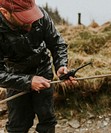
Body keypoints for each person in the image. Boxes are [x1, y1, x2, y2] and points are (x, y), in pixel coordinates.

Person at [0, 0, 76, 132]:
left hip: (43, 71)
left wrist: (60, 65)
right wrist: (28, 81)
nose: (30, 24)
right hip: (15, 77)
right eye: (24, 19)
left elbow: (57, 43)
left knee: (47, 119)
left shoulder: (40, 15)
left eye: (31, 16)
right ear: (5, 12)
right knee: (18, 124)